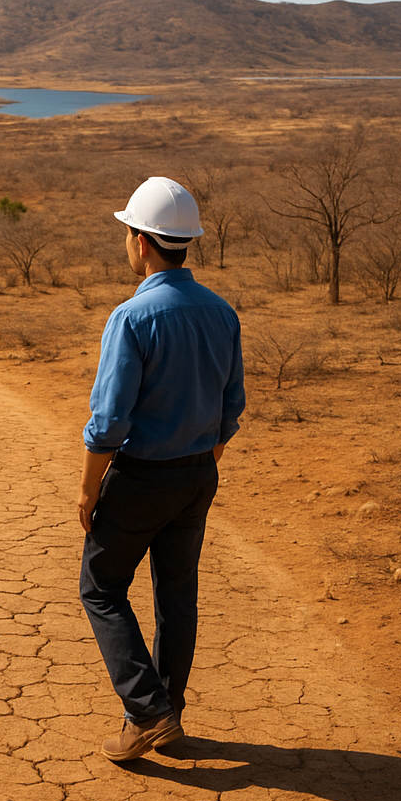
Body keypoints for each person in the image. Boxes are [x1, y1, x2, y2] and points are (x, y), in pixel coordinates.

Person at [77, 176, 245, 762]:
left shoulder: (132, 317)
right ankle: (165, 713)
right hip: (198, 474)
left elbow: (109, 421)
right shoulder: (221, 313)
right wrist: (199, 462)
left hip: (142, 476)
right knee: (177, 595)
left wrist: (89, 490)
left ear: (142, 241)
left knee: (100, 588)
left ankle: (147, 712)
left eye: (128, 233)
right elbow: (231, 407)